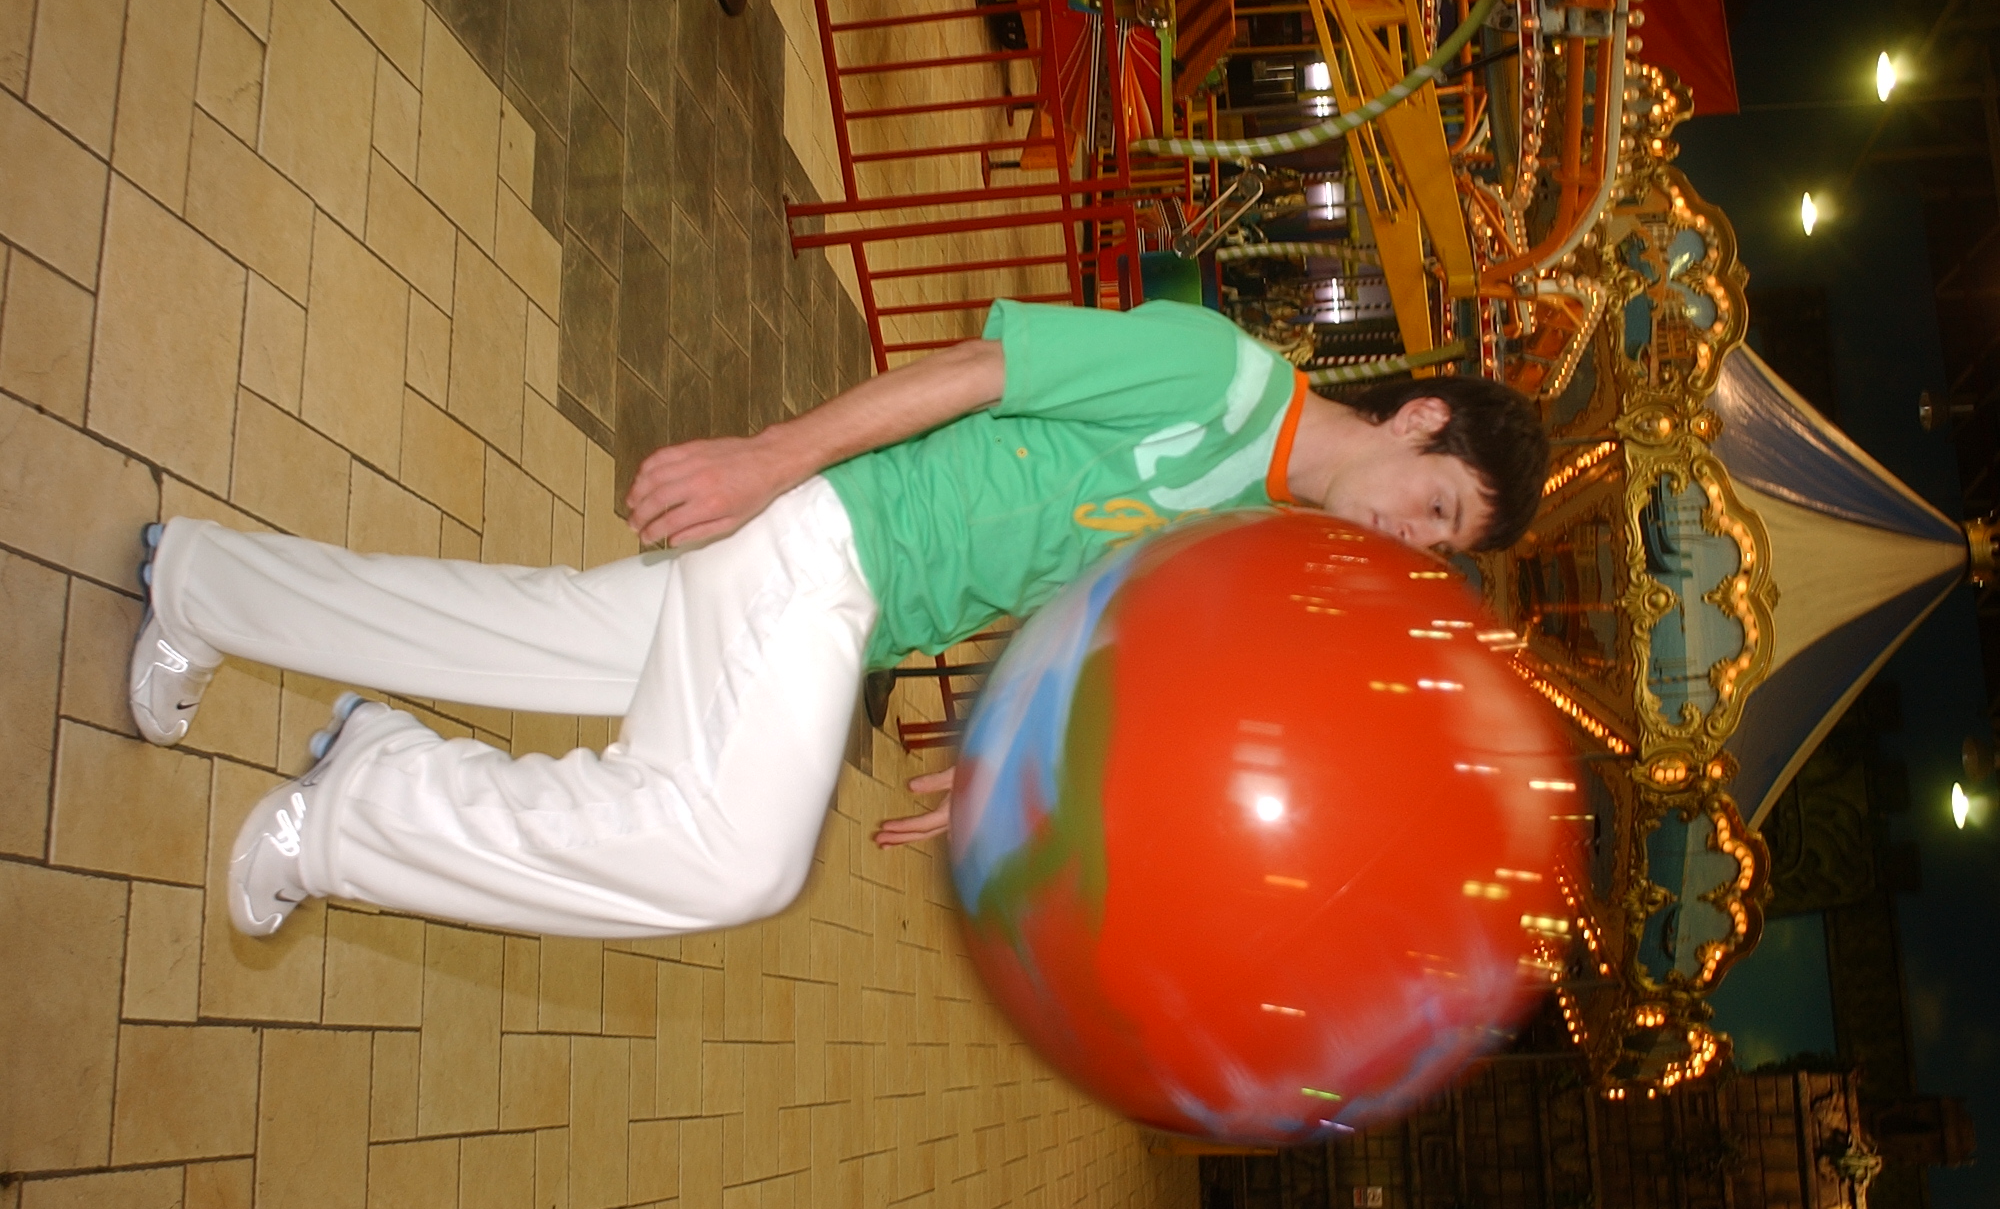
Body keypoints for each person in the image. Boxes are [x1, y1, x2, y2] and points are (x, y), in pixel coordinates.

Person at [128, 299, 1548, 940]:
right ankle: (358, 805)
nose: (1411, 542)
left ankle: (192, 582)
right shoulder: (1218, 381)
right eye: (1436, 506)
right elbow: (986, 371)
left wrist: (1001, 757)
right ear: (1417, 418)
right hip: (828, 545)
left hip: (855, 602)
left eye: (1442, 550)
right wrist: (772, 456)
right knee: (732, 860)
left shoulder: (1248, 524)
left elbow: (1073, 614)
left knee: (510, 634)